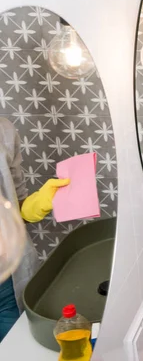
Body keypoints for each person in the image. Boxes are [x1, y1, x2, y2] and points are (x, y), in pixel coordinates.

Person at [0, 118, 69, 341]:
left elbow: (15, 204)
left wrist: (34, 206)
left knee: (17, 346)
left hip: (7, 280)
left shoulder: (4, 130)